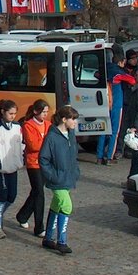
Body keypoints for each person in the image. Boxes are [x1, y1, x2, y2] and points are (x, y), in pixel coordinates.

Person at [39, 104, 81, 255]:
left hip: (68, 177)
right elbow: (43, 159)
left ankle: (48, 238)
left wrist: (75, 171)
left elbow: (74, 155)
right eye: (73, 119)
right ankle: (61, 241)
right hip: (57, 179)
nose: (75, 122)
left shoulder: (70, 135)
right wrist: (53, 176)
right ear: (64, 119)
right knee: (67, 206)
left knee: (57, 206)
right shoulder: (51, 137)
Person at [0, 99, 25, 239]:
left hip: (13, 168)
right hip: (0, 171)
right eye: (10, 113)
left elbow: (22, 144)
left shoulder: (17, 127)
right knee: (2, 196)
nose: (13, 116)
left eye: (15, 113)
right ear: (3, 112)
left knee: (12, 196)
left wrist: (20, 160)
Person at [16, 99, 51, 238]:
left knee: (36, 192)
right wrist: (46, 143)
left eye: (47, 112)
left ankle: (22, 215)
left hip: (45, 162)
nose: (45, 115)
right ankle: (39, 226)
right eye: (43, 112)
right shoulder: (28, 125)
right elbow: (33, 145)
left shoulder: (48, 124)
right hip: (33, 163)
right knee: (39, 193)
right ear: (36, 111)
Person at [98, 45, 136, 165]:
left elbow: (96, 75)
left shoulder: (104, 69)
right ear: (121, 62)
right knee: (115, 131)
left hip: (105, 103)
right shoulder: (118, 72)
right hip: (116, 104)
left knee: (103, 130)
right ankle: (110, 156)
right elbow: (132, 80)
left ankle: (99, 156)